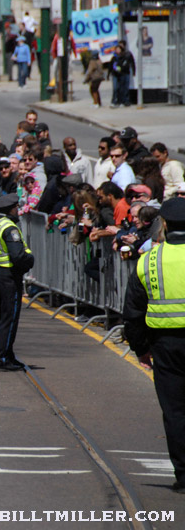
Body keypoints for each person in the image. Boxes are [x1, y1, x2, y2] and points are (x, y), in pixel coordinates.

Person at [123, 197, 185, 494]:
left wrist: (140, 348)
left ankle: (184, 475)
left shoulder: (148, 260)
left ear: (165, 225)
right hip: (166, 344)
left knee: (174, 411)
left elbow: (133, 311)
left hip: (165, 346)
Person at [0, 193, 35, 371]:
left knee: (2, 318)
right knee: (9, 319)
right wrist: (29, 259)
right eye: (16, 208)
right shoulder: (9, 228)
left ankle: (7, 355)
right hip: (9, 278)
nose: (17, 211)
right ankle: (1, 358)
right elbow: (18, 256)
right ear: (11, 209)